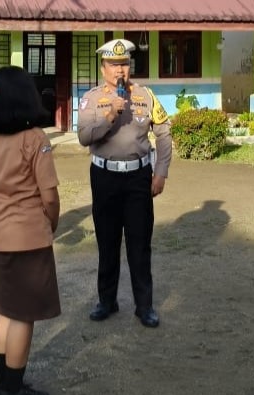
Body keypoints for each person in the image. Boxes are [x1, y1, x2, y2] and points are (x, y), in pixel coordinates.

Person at [0, 66, 61, 395]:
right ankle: (13, 391)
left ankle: (0, 384)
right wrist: (51, 223)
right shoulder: (35, 139)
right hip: (28, 236)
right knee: (24, 315)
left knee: (6, 310)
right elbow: (49, 196)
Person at [77, 38, 172, 328]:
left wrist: (161, 172)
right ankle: (107, 301)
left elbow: (163, 133)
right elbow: (84, 137)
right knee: (107, 242)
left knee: (139, 244)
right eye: (114, 64)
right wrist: (110, 114)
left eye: (125, 64)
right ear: (103, 68)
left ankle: (145, 306)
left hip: (137, 178)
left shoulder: (145, 95)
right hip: (104, 177)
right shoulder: (91, 99)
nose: (120, 70)